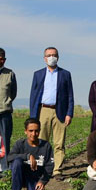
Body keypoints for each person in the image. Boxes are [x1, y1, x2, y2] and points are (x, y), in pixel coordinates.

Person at [29, 47, 74, 178]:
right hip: (43, 110)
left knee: (59, 143)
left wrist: (69, 113)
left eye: (54, 55)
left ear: (58, 57)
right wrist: (33, 117)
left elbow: (70, 95)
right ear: (44, 58)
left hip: (60, 111)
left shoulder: (65, 74)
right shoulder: (38, 74)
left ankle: (57, 170)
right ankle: (41, 168)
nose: (51, 57)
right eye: (49, 55)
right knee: (42, 141)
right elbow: (33, 96)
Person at [8, 118, 54, 190]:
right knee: (17, 161)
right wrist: (27, 156)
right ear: (26, 131)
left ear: (40, 131)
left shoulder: (46, 146)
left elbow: (49, 165)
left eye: (36, 131)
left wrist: (42, 181)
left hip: (35, 177)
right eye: (31, 131)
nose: (33, 134)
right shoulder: (20, 144)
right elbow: (9, 157)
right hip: (21, 175)